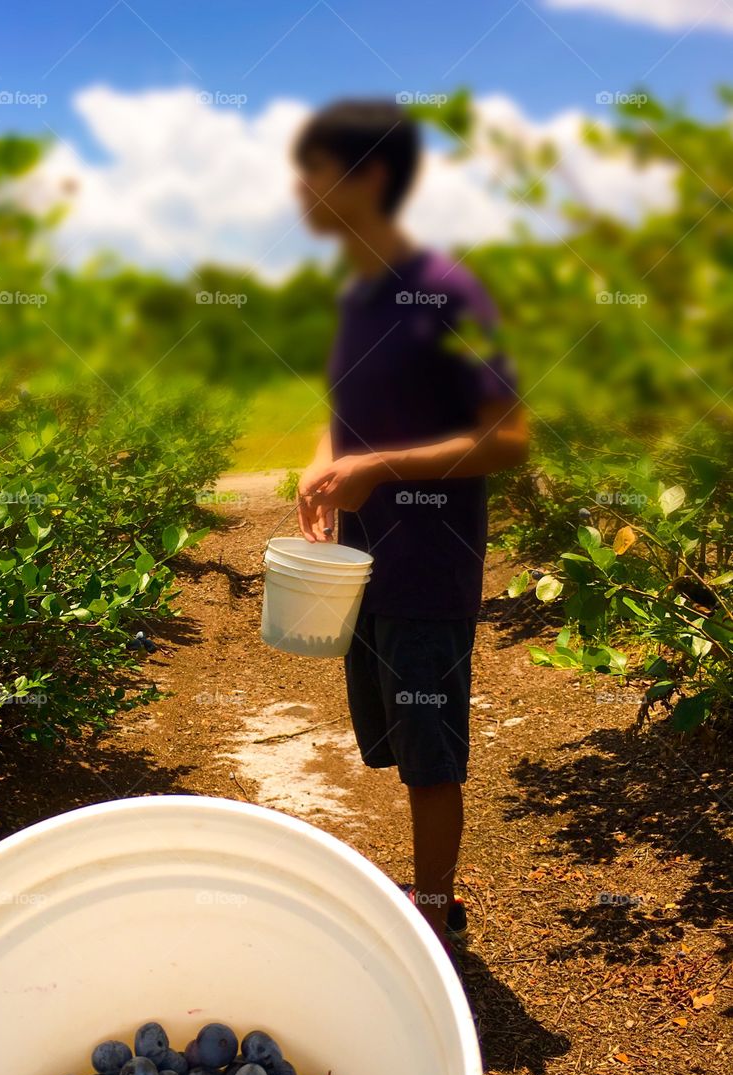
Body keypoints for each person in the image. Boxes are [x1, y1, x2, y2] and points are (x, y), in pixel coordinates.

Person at [293, 99, 528, 956]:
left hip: (428, 568)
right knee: (395, 740)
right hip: (364, 567)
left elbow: (507, 436)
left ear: (370, 178)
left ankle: (435, 916)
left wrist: (380, 471)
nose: (300, 189)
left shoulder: (451, 293)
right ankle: (425, 891)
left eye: (314, 170)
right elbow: (347, 411)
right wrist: (323, 462)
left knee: (431, 755)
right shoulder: (359, 297)